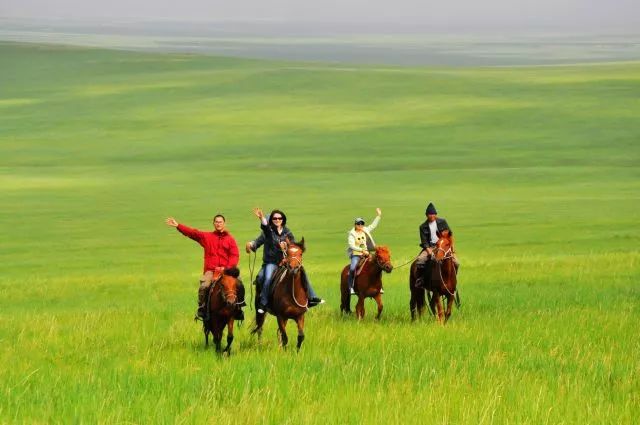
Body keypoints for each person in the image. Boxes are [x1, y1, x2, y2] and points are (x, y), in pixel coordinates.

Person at [165, 214, 246, 319]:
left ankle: (239, 308)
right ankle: (202, 308)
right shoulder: (207, 237)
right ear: (213, 224)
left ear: (224, 224)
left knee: (239, 283)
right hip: (211, 270)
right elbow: (193, 233)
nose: (218, 224)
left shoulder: (230, 240)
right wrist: (178, 226)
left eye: (220, 222)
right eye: (216, 222)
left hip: (227, 271)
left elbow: (235, 255)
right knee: (204, 286)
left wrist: (227, 268)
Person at [251, 208, 324, 314]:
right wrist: (261, 218)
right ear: (271, 220)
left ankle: (311, 298)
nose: (277, 220)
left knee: (302, 273)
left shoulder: (287, 232)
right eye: (274, 218)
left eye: (279, 218)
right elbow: (263, 231)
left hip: (286, 261)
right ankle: (263, 303)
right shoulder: (268, 232)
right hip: (272, 263)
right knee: (266, 278)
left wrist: (287, 248)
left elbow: (293, 246)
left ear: (283, 219)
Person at [415, 202, 458, 287]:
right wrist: (429, 251)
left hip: (443, 246)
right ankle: (421, 279)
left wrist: (452, 248)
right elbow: (424, 242)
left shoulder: (442, 222)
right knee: (420, 260)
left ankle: (453, 279)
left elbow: (450, 235)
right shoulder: (423, 227)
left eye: (433, 214)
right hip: (430, 247)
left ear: (436, 214)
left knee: (456, 262)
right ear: (426, 215)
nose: (431, 216)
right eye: (429, 214)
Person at [346, 208, 383, 295]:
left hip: (366, 253)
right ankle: (351, 287)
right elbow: (352, 245)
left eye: (362, 223)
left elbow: (373, 226)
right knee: (352, 268)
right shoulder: (352, 234)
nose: (360, 225)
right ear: (355, 224)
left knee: (379, 265)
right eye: (358, 223)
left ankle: (380, 287)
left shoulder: (364, 230)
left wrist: (378, 216)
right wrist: (362, 250)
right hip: (356, 254)